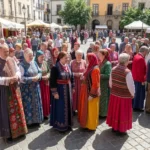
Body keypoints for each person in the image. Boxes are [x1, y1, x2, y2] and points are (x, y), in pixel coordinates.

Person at [0, 44, 27, 140]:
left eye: (8, 51)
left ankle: (21, 131)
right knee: (7, 112)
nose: (7, 53)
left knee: (18, 109)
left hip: (15, 88)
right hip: (5, 91)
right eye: (5, 51)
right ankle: (9, 135)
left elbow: (18, 70)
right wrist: (8, 79)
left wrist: (17, 76)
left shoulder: (11, 59)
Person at [106, 53, 135, 134]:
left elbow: (110, 83)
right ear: (126, 61)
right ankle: (121, 130)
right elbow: (131, 85)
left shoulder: (114, 69)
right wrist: (133, 94)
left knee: (115, 111)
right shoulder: (127, 72)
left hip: (114, 94)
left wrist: (115, 89)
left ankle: (114, 127)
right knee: (122, 112)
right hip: (124, 96)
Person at [50, 51, 74, 131]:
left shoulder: (68, 66)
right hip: (60, 90)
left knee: (68, 106)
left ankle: (68, 124)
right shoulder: (55, 67)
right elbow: (52, 81)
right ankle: (60, 126)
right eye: (65, 58)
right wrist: (54, 92)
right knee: (61, 108)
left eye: (67, 58)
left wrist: (73, 86)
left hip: (68, 89)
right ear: (60, 58)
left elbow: (72, 77)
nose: (67, 59)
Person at [19, 48, 43, 125]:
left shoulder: (34, 62)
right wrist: (32, 79)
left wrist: (39, 76)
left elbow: (40, 71)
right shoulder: (21, 65)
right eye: (29, 56)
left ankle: (37, 120)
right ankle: (30, 122)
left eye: (32, 55)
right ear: (24, 55)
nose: (31, 57)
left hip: (36, 89)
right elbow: (21, 78)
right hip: (27, 91)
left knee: (36, 103)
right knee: (29, 106)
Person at [78, 53, 100, 130]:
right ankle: (86, 123)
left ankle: (91, 125)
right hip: (85, 91)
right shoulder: (90, 67)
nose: (86, 60)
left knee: (91, 109)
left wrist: (92, 95)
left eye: (88, 58)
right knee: (86, 108)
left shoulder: (95, 69)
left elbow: (96, 84)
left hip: (90, 92)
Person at [35, 50, 50, 119]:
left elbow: (49, 71)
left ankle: (46, 113)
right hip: (39, 84)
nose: (42, 58)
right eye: (41, 57)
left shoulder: (45, 62)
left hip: (46, 83)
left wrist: (48, 76)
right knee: (41, 98)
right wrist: (41, 77)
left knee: (46, 98)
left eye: (43, 57)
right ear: (37, 57)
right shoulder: (34, 64)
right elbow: (35, 74)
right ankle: (41, 114)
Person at [132, 46, 148, 111]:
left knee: (136, 92)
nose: (147, 53)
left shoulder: (136, 56)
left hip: (135, 77)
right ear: (144, 51)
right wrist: (143, 80)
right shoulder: (141, 58)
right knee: (139, 94)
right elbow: (141, 71)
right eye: (146, 52)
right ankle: (137, 107)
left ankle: (135, 105)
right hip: (139, 79)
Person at [98, 49, 112, 117]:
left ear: (104, 55)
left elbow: (108, 75)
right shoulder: (101, 62)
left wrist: (98, 75)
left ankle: (103, 114)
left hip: (104, 84)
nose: (98, 55)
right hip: (100, 84)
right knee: (100, 99)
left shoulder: (107, 63)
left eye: (100, 54)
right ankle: (100, 112)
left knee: (104, 99)